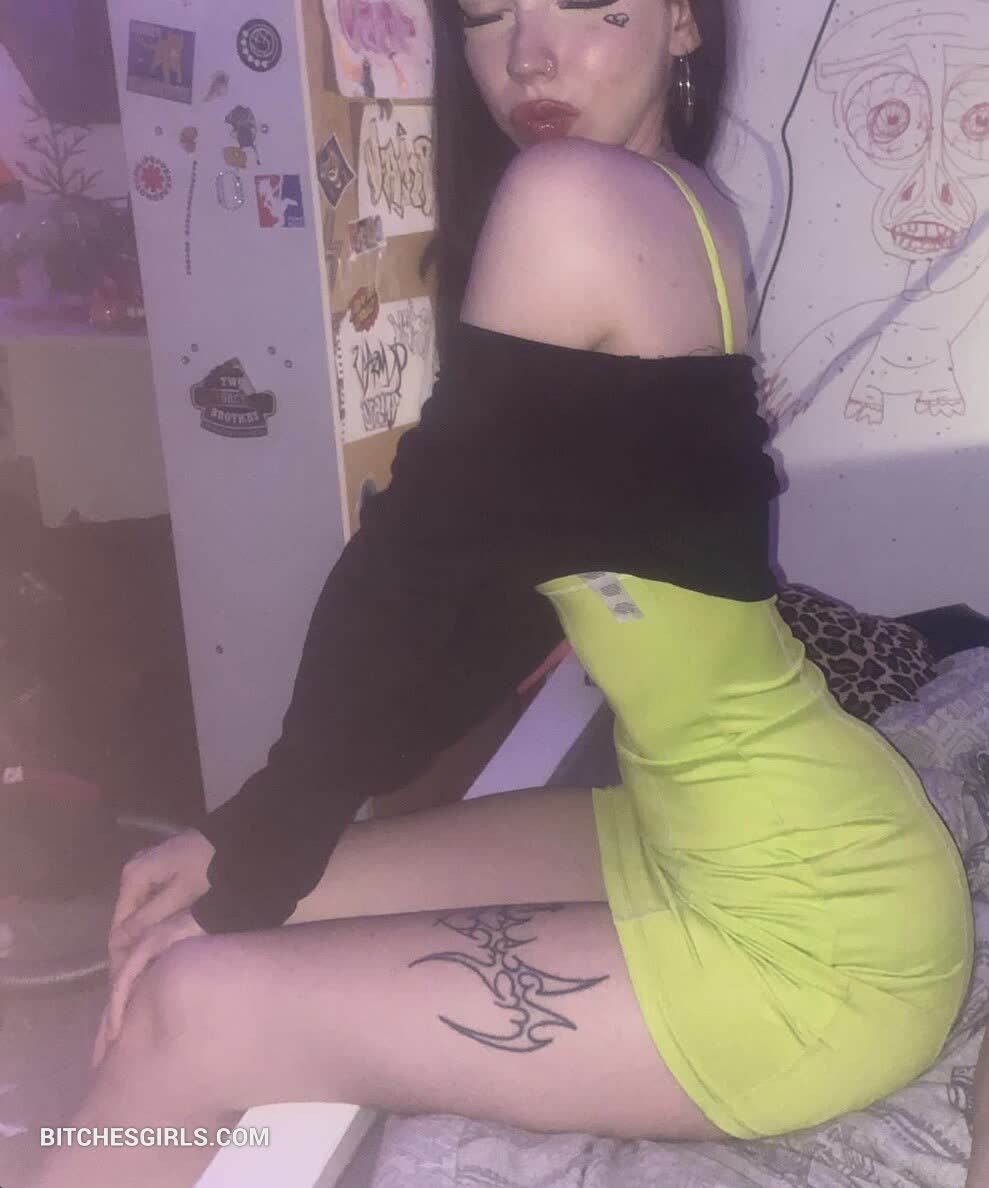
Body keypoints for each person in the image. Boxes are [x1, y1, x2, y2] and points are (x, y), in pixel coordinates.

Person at [30, 1, 975, 1184]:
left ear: (682, 21)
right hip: (722, 832)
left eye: (579, 2)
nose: (528, 54)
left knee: (186, 1001)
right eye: (484, 13)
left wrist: (267, 826)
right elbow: (526, 562)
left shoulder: (570, 196)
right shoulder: (688, 204)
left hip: (811, 954)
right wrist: (256, 832)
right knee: (233, 895)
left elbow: (414, 571)